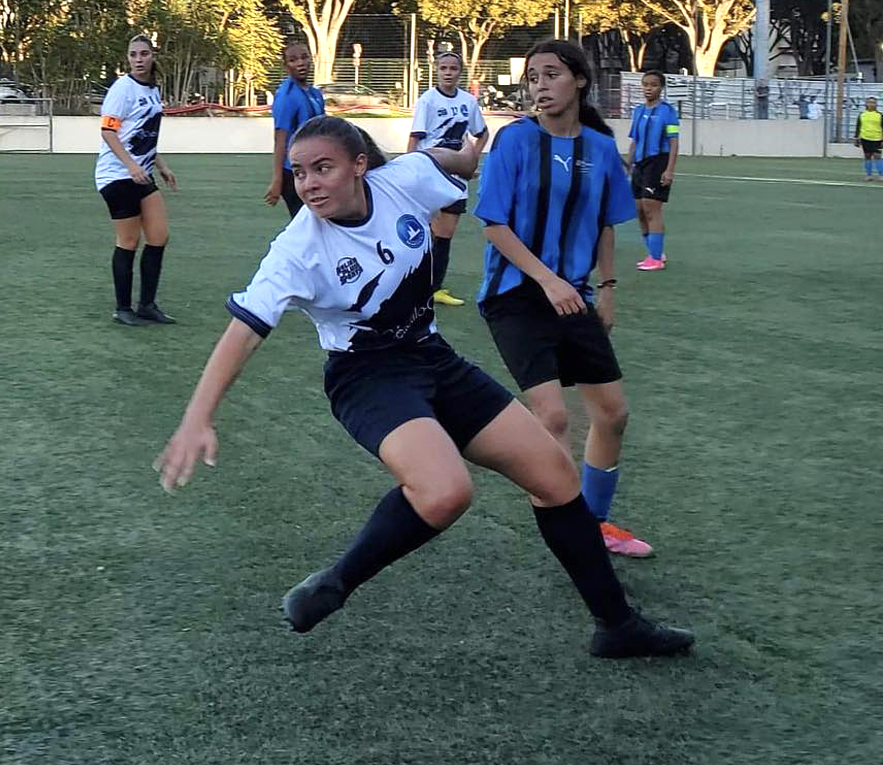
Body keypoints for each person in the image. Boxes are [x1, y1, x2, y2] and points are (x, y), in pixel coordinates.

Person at [155, 114, 693, 658]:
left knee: (555, 477)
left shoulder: (402, 180)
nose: (309, 183)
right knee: (445, 492)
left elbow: (445, 162)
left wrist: (466, 154)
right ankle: (336, 583)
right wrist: (198, 416)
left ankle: (617, 625)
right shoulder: (298, 250)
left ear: (360, 165)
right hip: (366, 378)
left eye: (323, 168)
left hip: (432, 358)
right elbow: (243, 333)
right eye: (299, 173)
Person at [475, 39, 653, 558]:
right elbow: (494, 225)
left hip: (575, 295)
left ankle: (594, 523)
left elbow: (604, 225)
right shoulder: (513, 141)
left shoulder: (599, 148)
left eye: (550, 75)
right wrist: (548, 281)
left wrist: (609, 289)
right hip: (516, 295)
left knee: (613, 414)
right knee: (551, 416)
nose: (539, 86)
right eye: (533, 78)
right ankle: (567, 528)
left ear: (578, 80)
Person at [96, 34, 178, 326]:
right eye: (133, 55)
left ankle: (147, 305)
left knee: (159, 236)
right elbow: (108, 132)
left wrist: (163, 165)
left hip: (141, 173)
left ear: (153, 55)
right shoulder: (122, 89)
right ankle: (123, 308)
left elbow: (144, 136)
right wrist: (131, 165)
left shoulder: (153, 90)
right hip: (116, 175)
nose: (139, 59)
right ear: (128, 59)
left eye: (144, 54)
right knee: (129, 240)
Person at [407, 51, 489, 306]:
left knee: (445, 233)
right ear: (436, 70)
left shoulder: (468, 101)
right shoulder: (428, 100)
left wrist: (471, 159)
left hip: (456, 178)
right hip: (431, 172)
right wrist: (408, 169)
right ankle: (414, 284)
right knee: (423, 230)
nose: (448, 72)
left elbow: (482, 133)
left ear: (460, 71)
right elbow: (415, 137)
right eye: (443, 68)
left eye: (453, 68)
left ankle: (434, 288)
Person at [264, 40, 325, 217]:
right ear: (286, 66)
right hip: (295, 173)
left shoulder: (315, 94)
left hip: (315, 168)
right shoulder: (286, 96)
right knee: (307, 222)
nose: (300, 63)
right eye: (293, 60)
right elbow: (280, 139)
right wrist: (278, 180)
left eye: (304, 57)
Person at [627, 70, 680, 271]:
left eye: (653, 85)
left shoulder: (667, 112)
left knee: (651, 208)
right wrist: (628, 163)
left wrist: (669, 170)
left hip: (658, 161)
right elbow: (635, 140)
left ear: (661, 88)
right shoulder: (638, 111)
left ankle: (656, 259)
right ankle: (655, 252)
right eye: (645, 84)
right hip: (640, 164)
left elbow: (674, 142)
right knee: (639, 209)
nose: (648, 89)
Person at [854, 97, 883, 181]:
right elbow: (858, 127)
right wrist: (856, 138)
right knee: (867, 156)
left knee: (877, 156)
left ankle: (881, 175)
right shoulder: (862, 114)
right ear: (866, 104)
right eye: (869, 102)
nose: (871, 104)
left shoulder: (879, 115)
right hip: (865, 138)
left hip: (877, 138)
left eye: (873, 103)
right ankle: (868, 175)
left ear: (876, 104)